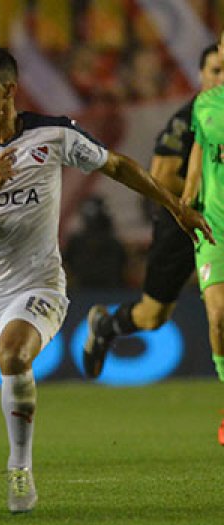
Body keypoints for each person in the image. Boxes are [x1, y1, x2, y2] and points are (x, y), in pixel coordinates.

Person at [0, 46, 211, 517]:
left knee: (13, 355)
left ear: (8, 90)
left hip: (37, 284)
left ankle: (19, 469)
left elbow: (118, 165)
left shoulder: (53, 134)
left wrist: (175, 206)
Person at [83, 43, 224, 378]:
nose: (221, 77)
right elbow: (161, 176)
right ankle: (107, 325)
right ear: (201, 75)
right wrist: (195, 199)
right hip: (183, 221)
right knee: (153, 315)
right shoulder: (191, 117)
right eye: (214, 71)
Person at [182, 35, 224, 389]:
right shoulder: (206, 104)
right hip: (216, 226)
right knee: (219, 314)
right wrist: (186, 201)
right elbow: (198, 152)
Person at [63, 196, 127, 289]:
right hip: (83, 289)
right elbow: (68, 262)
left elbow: (121, 263)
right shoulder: (77, 242)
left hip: (109, 289)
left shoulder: (112, 243)